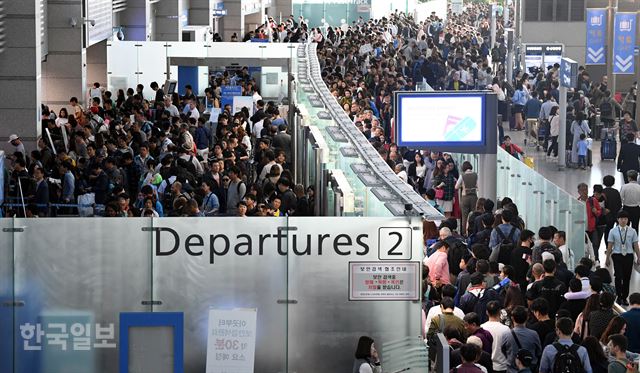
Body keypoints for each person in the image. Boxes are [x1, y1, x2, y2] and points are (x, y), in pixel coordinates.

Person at [605, 211, 640, 306]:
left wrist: (638, 256)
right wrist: (607, 257)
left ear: (628, 220)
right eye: (621, 219)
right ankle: (618, 296)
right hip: (617, 255)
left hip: (628, 255)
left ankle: (624, 297)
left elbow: (636, 245)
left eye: (625, 219)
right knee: (618, 276)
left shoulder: (632, 231)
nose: (623, 221)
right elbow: (610, 245)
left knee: (627, 277)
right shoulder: (613, 231)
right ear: (618, 220)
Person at [481, 301, 515, 373]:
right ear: (500, 312)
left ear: (487, 312)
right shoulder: (506, 329)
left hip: (485, 366)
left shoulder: (482, 328)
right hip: (502, 366)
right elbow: (510, 349)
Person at [510, 305, 543, 370]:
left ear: (512, 318)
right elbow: (539, 352)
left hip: (513, 369)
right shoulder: (533, 334)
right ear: (527, 318)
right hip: (530, 368)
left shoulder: (507, 334)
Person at [455, 161, 478, 236]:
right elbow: (478, 186)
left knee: (464, 216)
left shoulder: (462, 175)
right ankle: (473, 231)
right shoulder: (475, 175)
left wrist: (463, 186)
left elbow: (456, 186)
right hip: (474, 197)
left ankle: (464, 233)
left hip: (465, 197)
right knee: (474, 215)